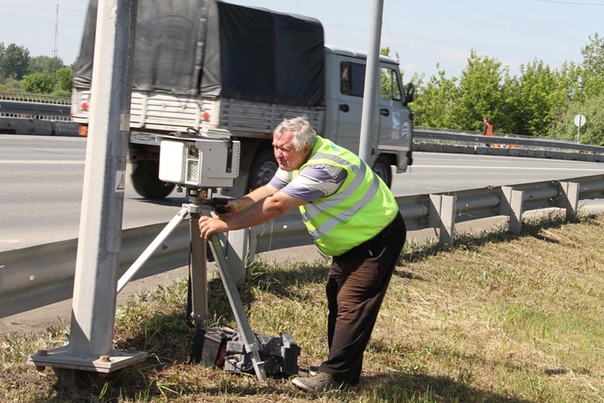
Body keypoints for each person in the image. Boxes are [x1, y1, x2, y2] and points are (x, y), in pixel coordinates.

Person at [198, 116, 407, 392]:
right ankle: (343, 370)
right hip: (353, 242)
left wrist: (225, 224)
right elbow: (271, 187)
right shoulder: (299, 157)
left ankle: (334, 376)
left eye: (284, 149)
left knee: (351, 305)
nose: (278, 155)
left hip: (377, 238)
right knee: (337, 297)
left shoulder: (325, 167)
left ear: (305, 148)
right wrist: (238, 205)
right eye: (275, 146)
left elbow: (276, 204)